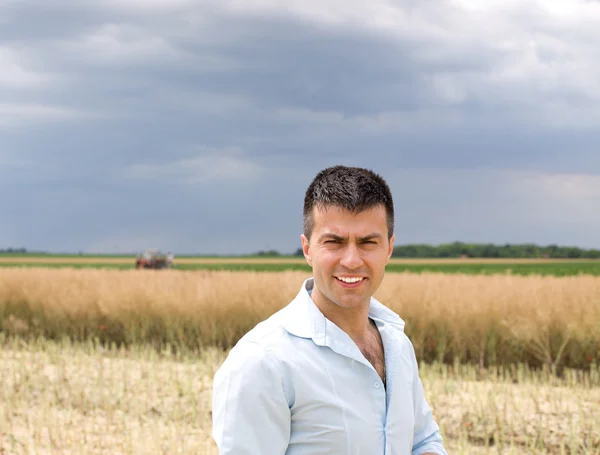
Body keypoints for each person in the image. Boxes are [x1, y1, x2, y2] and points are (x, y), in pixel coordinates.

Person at [212, 165, 448, 454]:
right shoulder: (262, 362)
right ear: (307, 248)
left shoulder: (397, 344)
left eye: (367, 243)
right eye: (334, 242)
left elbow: (423, 440)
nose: (351, 260)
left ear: (389, 248)